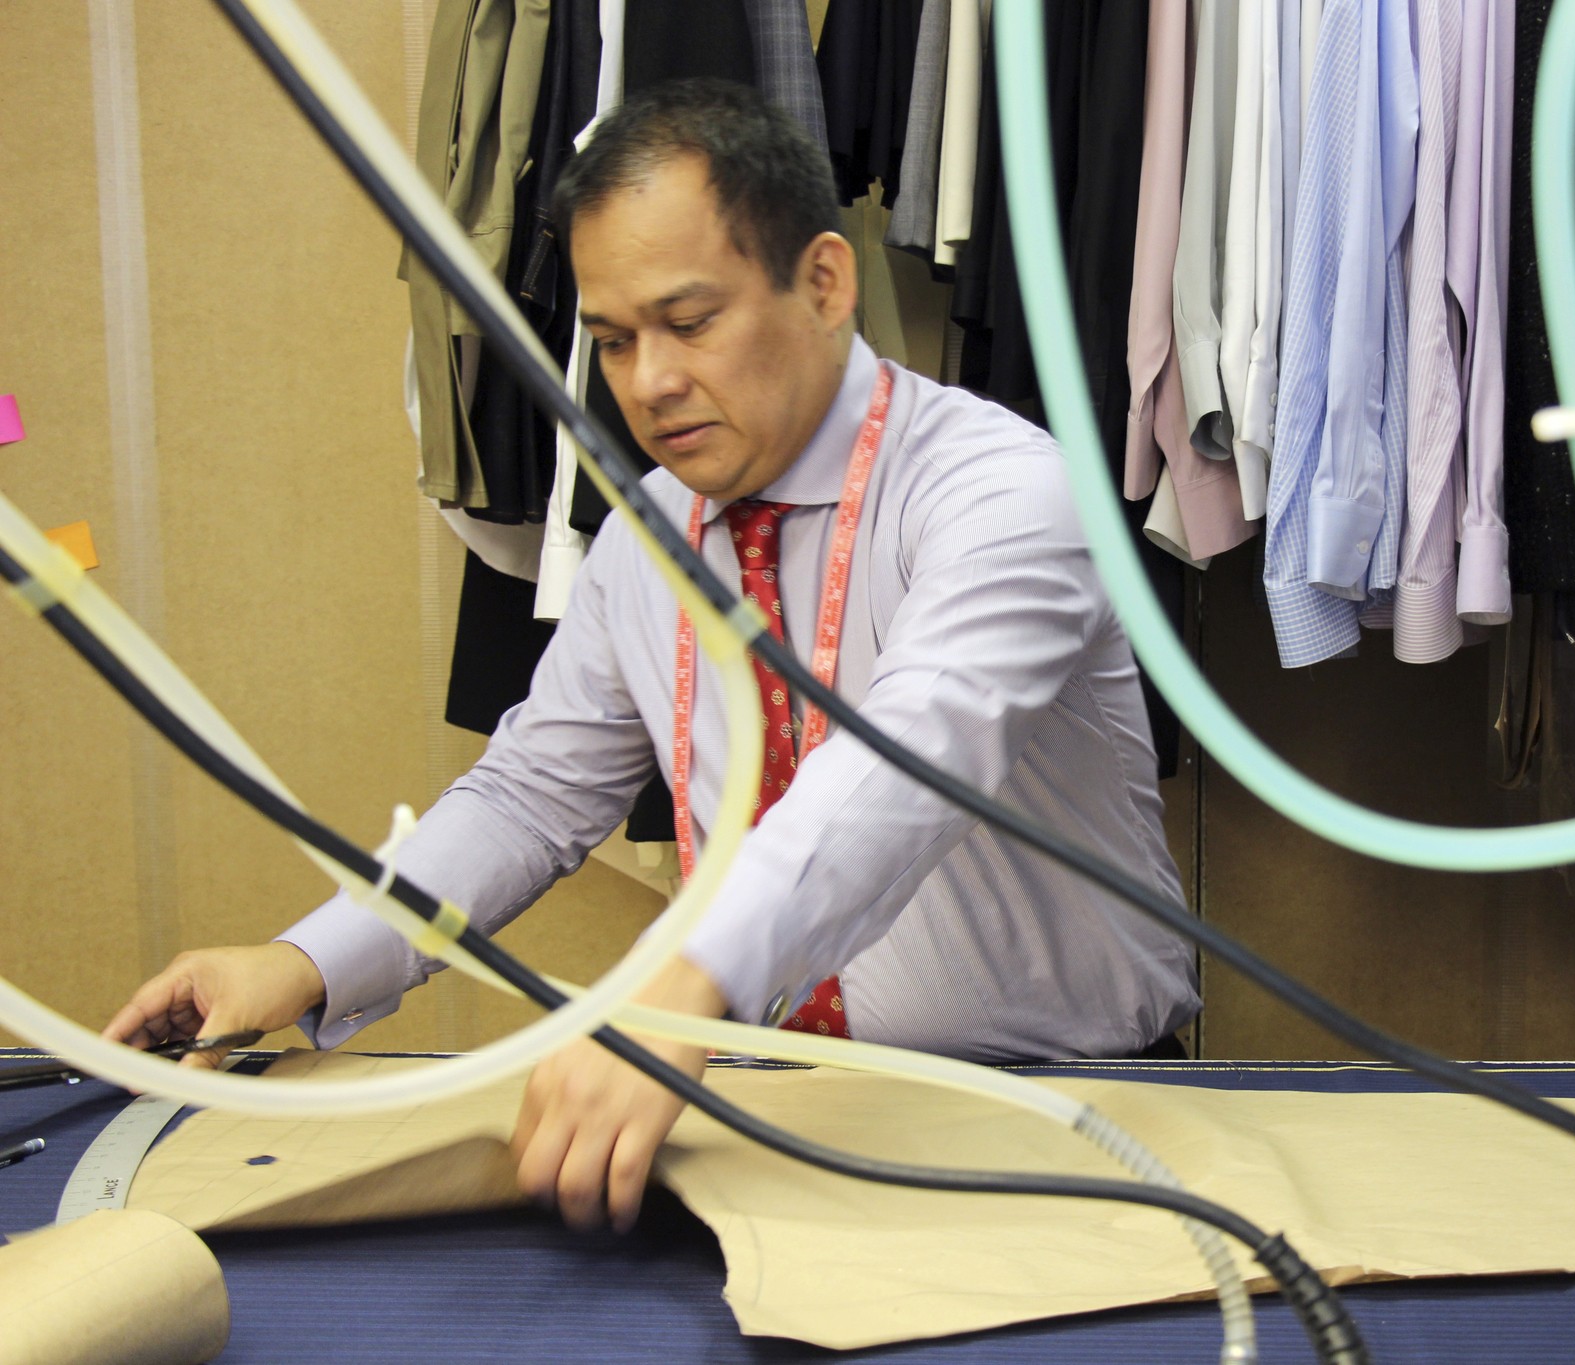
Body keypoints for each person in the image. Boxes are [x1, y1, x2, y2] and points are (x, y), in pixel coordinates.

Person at [101, 79, 1198, 1236]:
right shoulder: (648, 537)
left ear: (823, 282)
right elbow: (529, 798)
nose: (650, 382)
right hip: (771, 1118)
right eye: (614, 341)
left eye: (689, 322)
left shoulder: (1002, 492)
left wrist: (678, 988)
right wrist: (306, 962)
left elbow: (903, 767)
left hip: (1069, 1113)